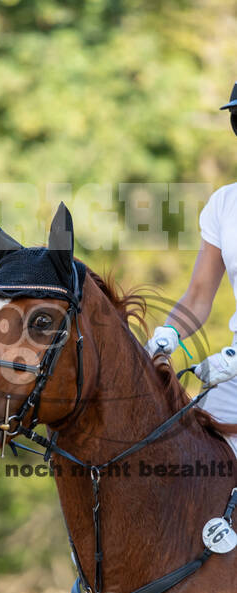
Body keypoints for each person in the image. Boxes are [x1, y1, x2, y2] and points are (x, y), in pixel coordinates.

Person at [146, 82, 237, 433]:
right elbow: (199, 296)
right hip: (234, 372)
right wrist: (166, 336)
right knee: (189, 439)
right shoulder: (224, 204)